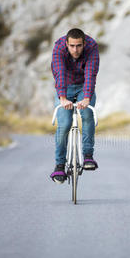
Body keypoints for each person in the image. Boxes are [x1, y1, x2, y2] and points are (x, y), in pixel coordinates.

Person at [50, 28, 99, 183]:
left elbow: (91, 74)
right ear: (67, 43)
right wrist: (63, 98)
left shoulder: (92, 47)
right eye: (72, 46)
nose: (75, 50)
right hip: (65, 86)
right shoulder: (59, 47)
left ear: (84, 43)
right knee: (64, 124)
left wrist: (86, 98)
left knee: (87, 115)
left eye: (78, 45)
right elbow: (59, 72)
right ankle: (59, 166)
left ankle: (88, 156)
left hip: (84, 85)